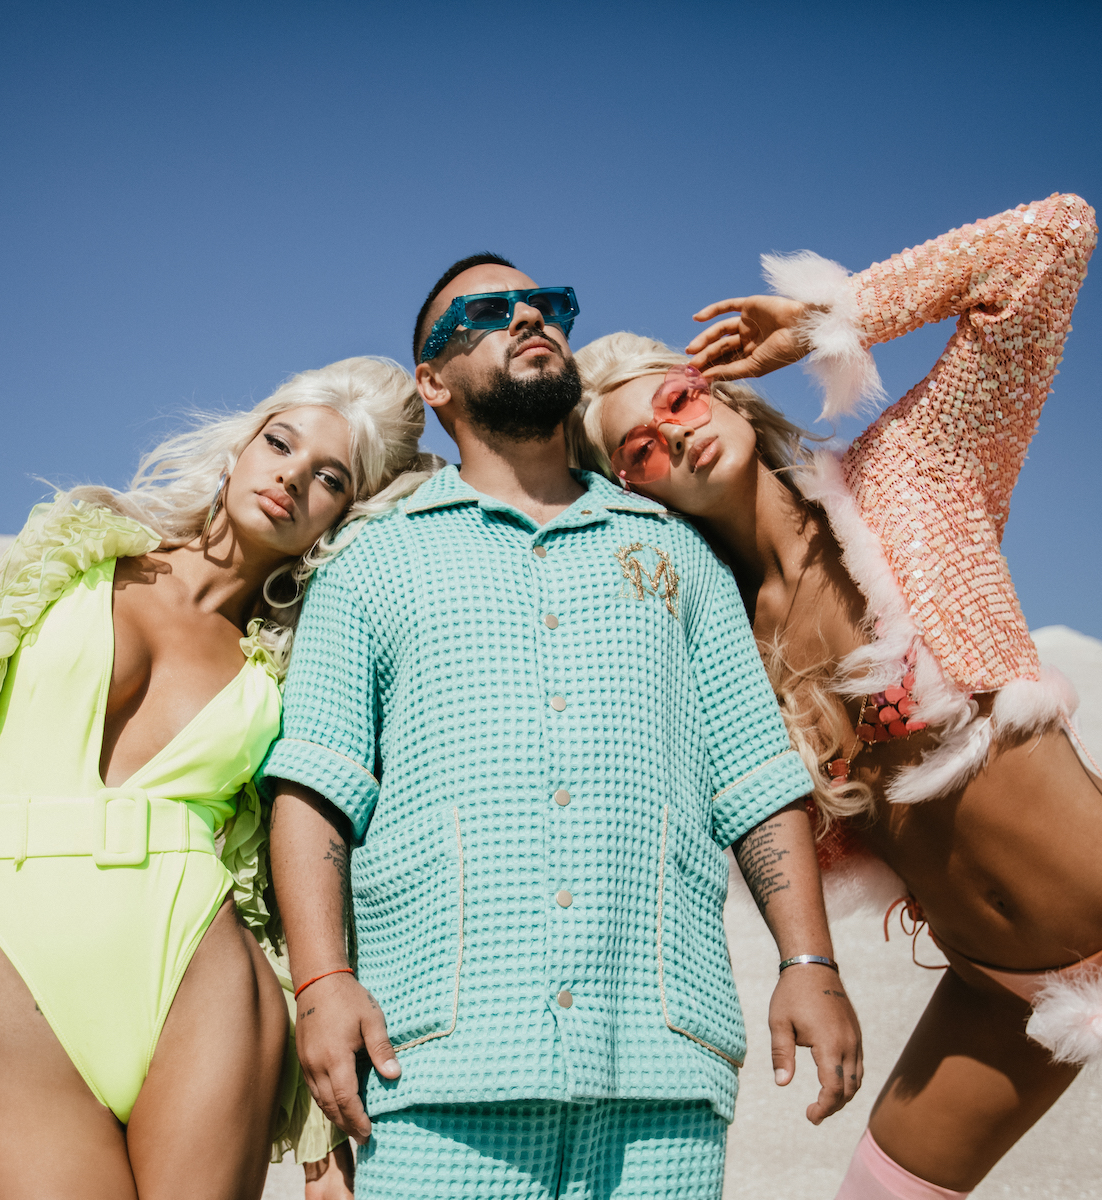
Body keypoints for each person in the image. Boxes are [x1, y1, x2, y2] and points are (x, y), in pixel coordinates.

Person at [572, 193, 1102, 1199]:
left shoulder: (911, 474)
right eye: (637, 448)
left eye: (677, 400)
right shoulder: (718, 641)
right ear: (632, 490)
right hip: (994, 994)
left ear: (719, 390)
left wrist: (828, 316)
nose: (673, 436)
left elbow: (1054, 239)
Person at [264, 256, 864, 1200]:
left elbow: (754, 774)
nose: (528, 317)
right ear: (433, 380)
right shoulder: (371, 561)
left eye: (545, 305)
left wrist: (809, 961)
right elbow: (315, 789)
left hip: (661, 1071)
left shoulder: (678, 554)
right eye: (488, 312)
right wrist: (322, 983)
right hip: (434, 1071)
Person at [0, 357, 438, 1200]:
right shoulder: (72, 554)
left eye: (331, 479)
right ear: (239, 448)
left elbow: (283, 869)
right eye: (280, 444)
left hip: (202, 975)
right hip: (15, 971)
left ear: (341, 517)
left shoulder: (286, 667)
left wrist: (318, 1141)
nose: (291, 478)